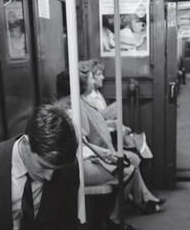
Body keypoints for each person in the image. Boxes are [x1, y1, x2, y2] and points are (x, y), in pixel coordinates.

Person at [56, 63, 164, 220]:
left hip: (85, 158)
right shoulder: (68, 111)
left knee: (128, 163)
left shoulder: (72, 106)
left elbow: (83, 139)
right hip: (77, 166)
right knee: (127, 170)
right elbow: (82, 138)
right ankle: (116, 216)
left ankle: (138, 202)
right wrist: (102, 152)